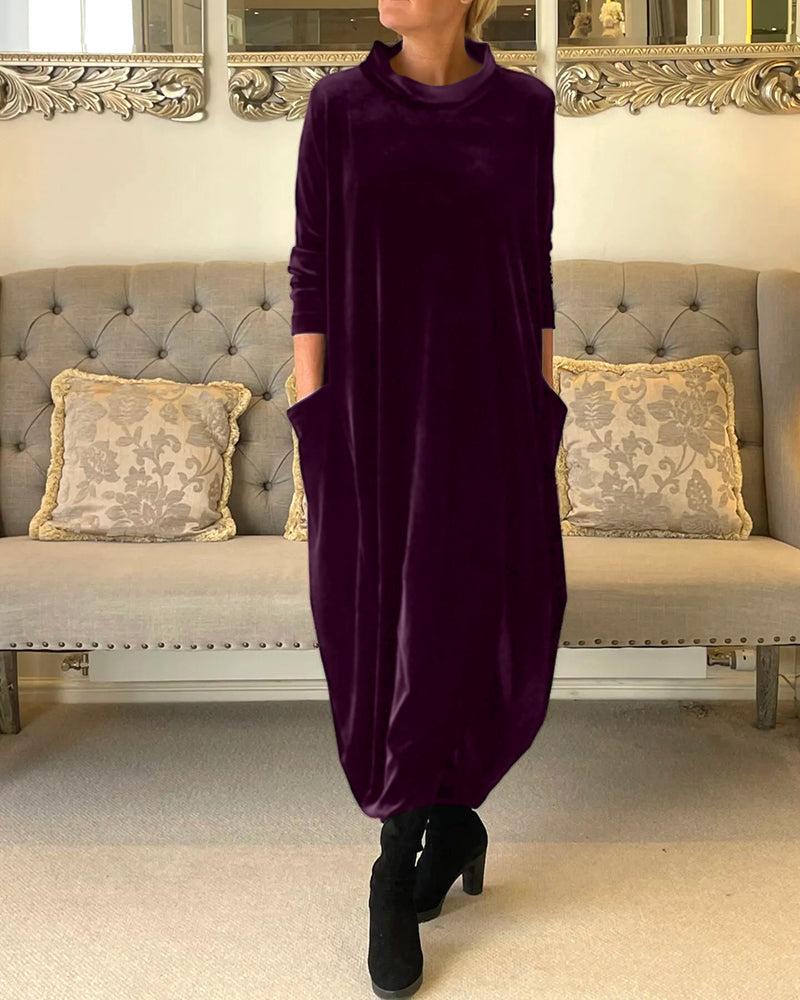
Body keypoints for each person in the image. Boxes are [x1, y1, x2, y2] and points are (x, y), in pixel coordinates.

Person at [286, 0, 567, 995]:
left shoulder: (525, 108)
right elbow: (311, 266)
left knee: (478, 610)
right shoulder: (338, 106)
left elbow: (531, 263)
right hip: (370, 413)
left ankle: (434, 832)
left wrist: (540, 399)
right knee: (379, 625)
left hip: (488, 404)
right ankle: (405, 848)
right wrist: (313, 405)